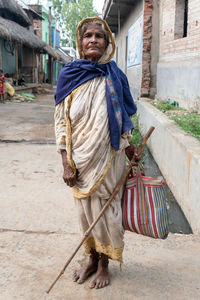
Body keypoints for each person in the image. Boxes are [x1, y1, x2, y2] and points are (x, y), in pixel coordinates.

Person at [54, 17, 139, 289]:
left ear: (107, 43)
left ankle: (104, 264)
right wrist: (66, 162)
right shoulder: (70, 75)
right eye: (87, 35)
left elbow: (122, 116)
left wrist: (130, 148)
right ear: (80, 43)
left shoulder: (115, 75)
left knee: (108, 212)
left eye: (98, 36)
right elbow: (60, 122)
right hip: (80, 159)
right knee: (85, 213)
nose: (93, 40)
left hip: (110, 157)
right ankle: (91, 258)